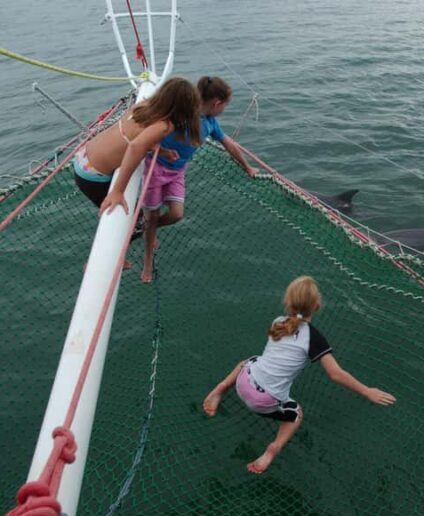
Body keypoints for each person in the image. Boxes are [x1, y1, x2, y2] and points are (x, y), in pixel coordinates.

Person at [202, 276, 396, 474]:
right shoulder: (314, 338)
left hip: (242, 382)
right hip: (261, 401)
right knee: (296, 414)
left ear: (287, 302)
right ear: (317, 305)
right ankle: (273, 449)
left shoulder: (278, 321)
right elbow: (335, 374)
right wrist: (367, 391)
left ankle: (220, 388)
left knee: (250, 360)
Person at [102, 75, 259, 283]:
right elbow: (146, 138)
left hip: (177, 173)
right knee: (154, 214)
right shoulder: (181, 116)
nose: (222, 111)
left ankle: (149, 227)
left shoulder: (211, 123)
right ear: (216, 103)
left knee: (176, 214)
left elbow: (229, 144)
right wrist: (164, 151)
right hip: (155, 171)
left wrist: (248, 168)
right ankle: (148, 261)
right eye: (224, 106)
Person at [72, 76, 202, 267]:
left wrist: (163, 151)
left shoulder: (145, 106)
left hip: (84, 157)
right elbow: (135, 147)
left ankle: (127, 245)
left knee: (137, 217)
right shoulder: (165, 125)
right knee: (139, 222)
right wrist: (117, 190)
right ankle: (100, 261)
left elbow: (136, 135)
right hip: (94, 176)